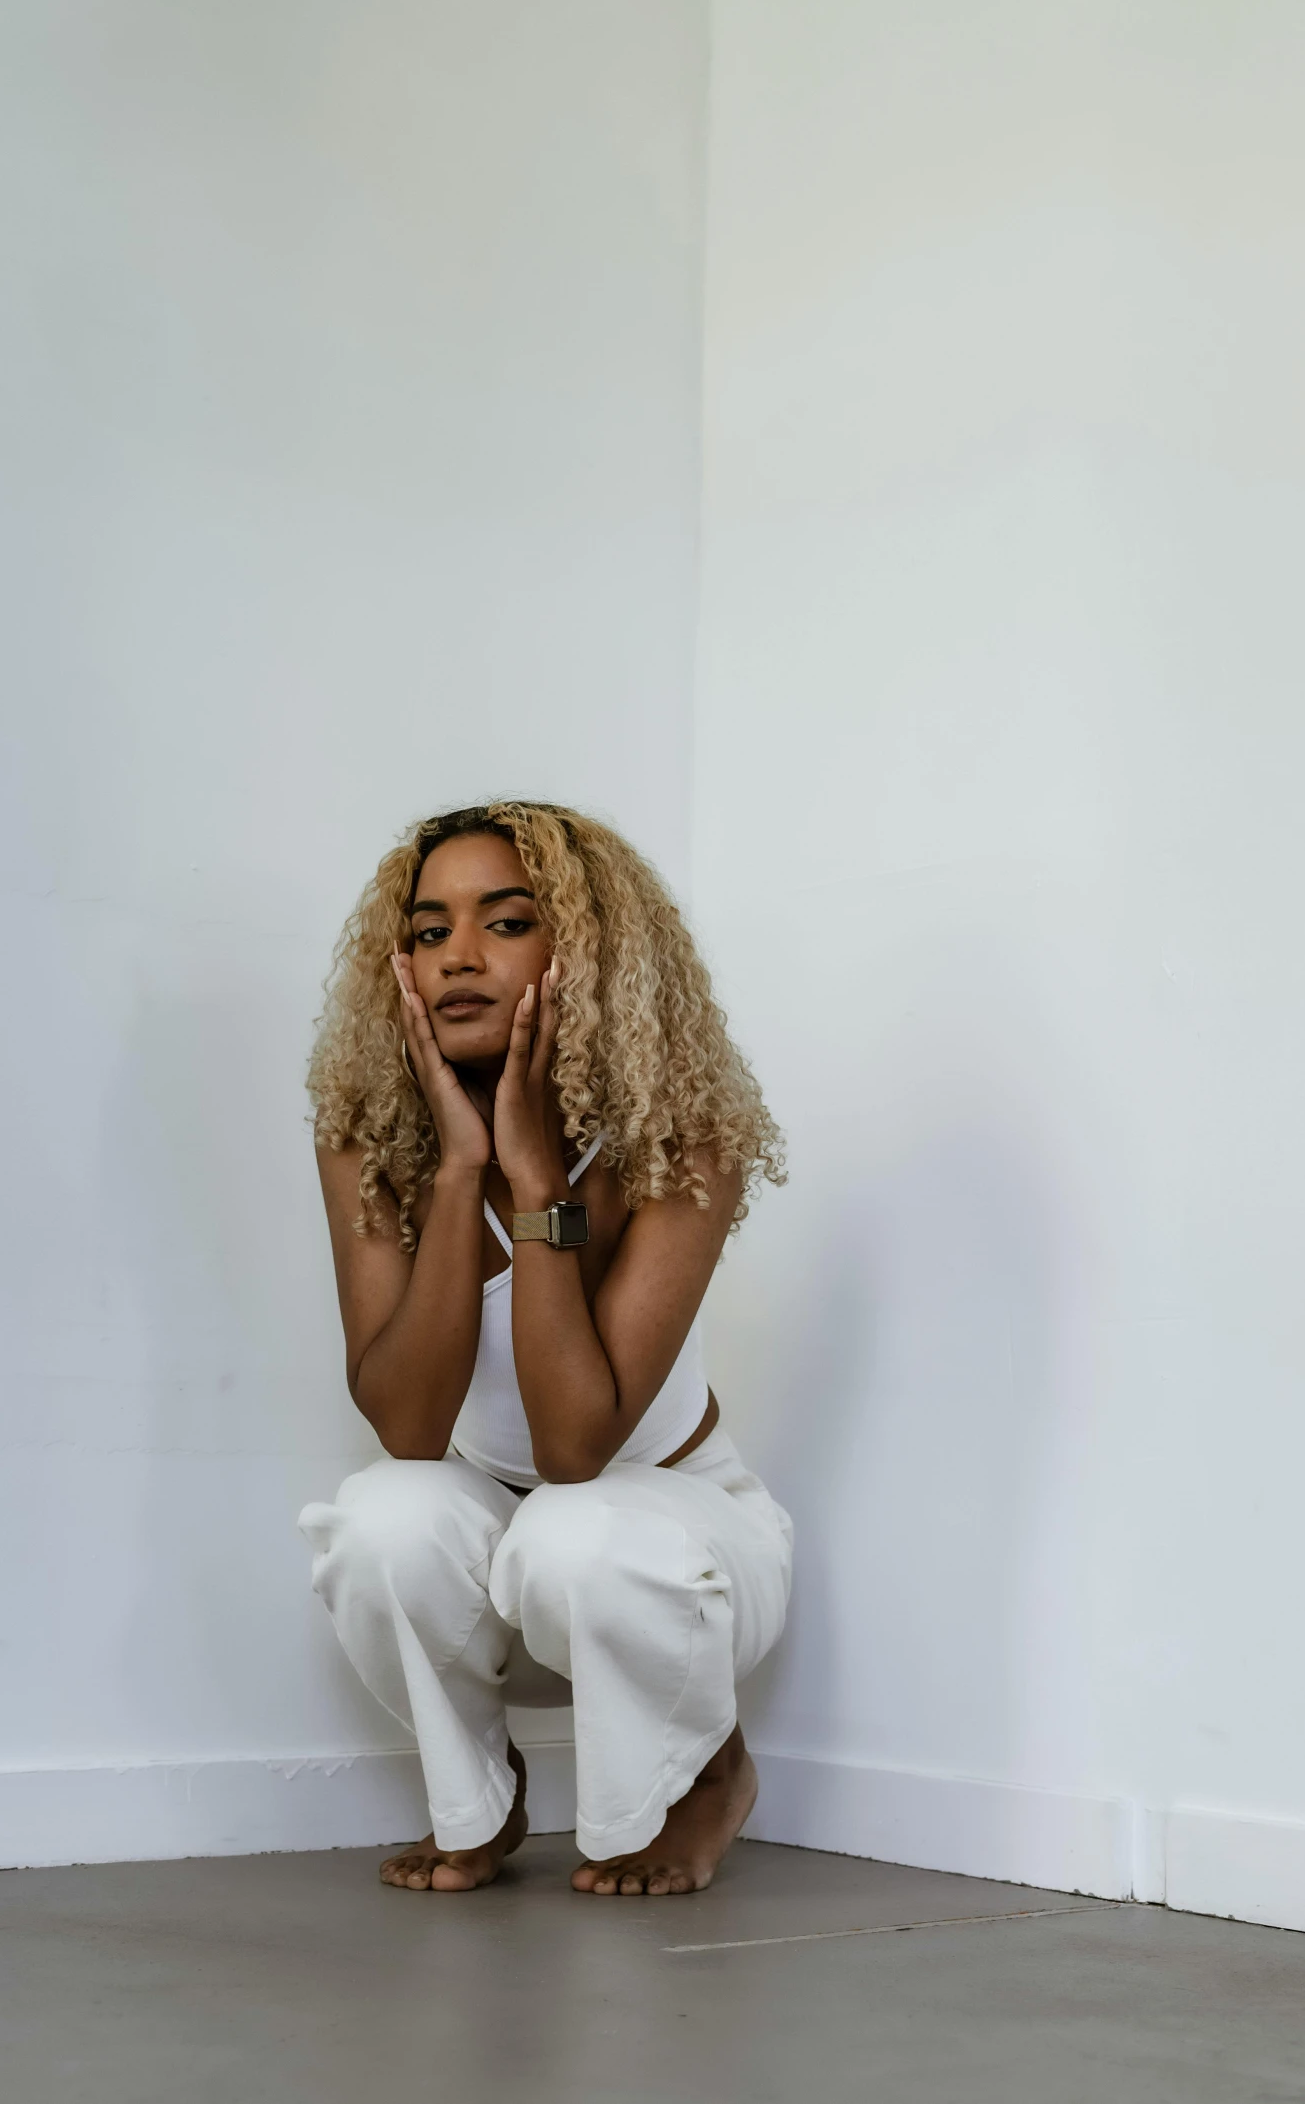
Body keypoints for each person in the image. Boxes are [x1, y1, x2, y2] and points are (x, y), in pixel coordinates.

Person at [298, 801, 790, 1898]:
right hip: (496, 1525)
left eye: (505, 921)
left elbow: (575, 1445)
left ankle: (709, 1773)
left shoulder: (678, 1136)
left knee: (574, 1530)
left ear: (586, 951)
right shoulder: (367, 1137)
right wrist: (457, 1169)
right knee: (384, 1511)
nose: (457, 957)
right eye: (429, 932)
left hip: (673, 1539)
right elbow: (410, 1426)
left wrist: (535, 1184)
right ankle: (481, 1797)